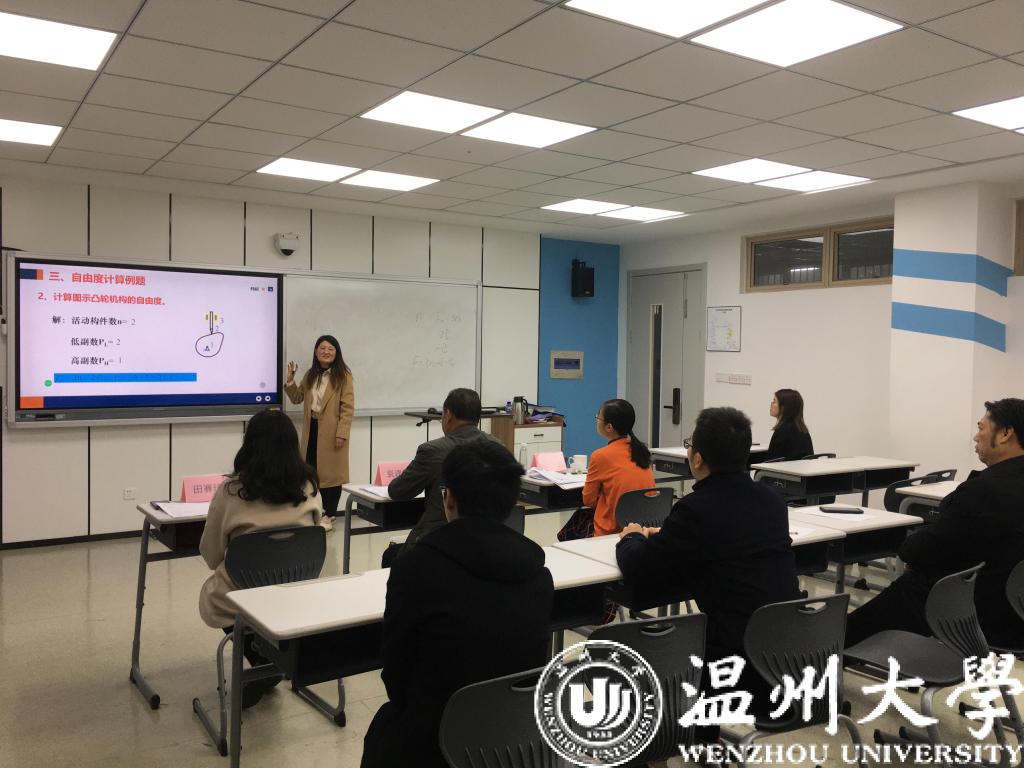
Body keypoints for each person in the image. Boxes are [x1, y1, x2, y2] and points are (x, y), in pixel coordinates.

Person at [361, 439, 554, 768]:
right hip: (513, 738)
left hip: (434, 742)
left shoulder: (415, 569)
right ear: (511, 502)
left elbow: (396, 676)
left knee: (383, 728)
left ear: (448, 498)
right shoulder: (538, 574)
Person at [616, 406, 800, 715]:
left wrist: (632, 536)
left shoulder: (695, 508)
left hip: (734, 663)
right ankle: (704, 737)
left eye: (690, 444)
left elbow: (638, 566)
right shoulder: (772, 500)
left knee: (650, 659)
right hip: (789, 654)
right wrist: (669, 536)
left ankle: (683, 738)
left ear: (697, 458)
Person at [846, 398, 1024, 649]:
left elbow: (924, 549)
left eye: (981, 428)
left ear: (1006, 433)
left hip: (975, 614)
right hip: (1015, 611)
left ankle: (827, 648)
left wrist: (909, 547)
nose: (976, 437)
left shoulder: (983, 491)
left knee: (912, 584)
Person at [198, 408, 323, 707]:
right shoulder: (309, 488)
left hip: (241, 597)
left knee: (218, 591)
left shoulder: (231, 492)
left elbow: (211, 555)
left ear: (249, 444)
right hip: (294, 592)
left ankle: (263, 660)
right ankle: (271, 660)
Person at [385, 388, 491, 563]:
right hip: (484, 543)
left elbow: (397, 491)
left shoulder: (433, 450)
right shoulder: (497, 446)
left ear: (448, 415)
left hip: (438, 544)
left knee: (390, 556)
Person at [285, 334, 354, 526]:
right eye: (322, 348)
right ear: (316, 352)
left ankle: (329, 514)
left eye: (331, 349)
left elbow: (347, 408)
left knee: (332, 476)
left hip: (332, 432)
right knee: (310, 471)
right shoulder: (310, 374)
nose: (326, 352)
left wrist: (342, 434)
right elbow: (297, 398)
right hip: (312, 430)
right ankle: (313, 510)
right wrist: (290, 381)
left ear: (336, 353)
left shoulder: (343, 376)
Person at [583, 398, 656, 537]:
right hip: (643, 528)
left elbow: (588, 500)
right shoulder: (641, 451)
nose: (596, 420)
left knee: (572, 527)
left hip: (612, 531)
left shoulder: (600, 456)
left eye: (598, 417)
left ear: (609, 427)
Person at [765, 388, 813, 461]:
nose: (771, 404)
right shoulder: (803, 429)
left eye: (774, 401)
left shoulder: (782, 430)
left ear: (784, 407)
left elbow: (770, 460)